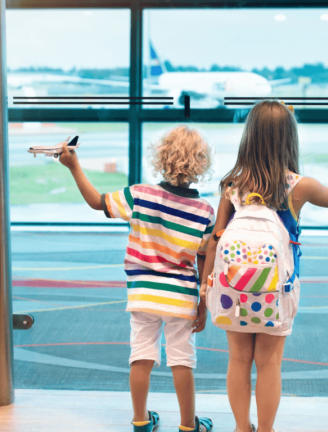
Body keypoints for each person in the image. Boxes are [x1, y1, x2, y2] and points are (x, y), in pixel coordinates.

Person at [199, 100, 328, 432]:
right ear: (289, 139)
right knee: (270, 363)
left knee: (238, 361)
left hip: (232, 289)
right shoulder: (297, 186)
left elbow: (217, 237)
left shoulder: (232, 185)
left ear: (250, 137)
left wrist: (205, 288)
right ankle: (267, 429)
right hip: (277, 291)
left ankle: (243, 427)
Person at [57, 125, 216, 432]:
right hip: (181, 296)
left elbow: (97, 202)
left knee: (141, 355)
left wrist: (74, 166)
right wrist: (203, 302)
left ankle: (141, 421)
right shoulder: (204, 211)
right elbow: (204, 258)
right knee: (182, 359)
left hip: (142, 294)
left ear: (161, 157)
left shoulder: (139, 195)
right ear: (201, 163)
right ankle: (187, 426)